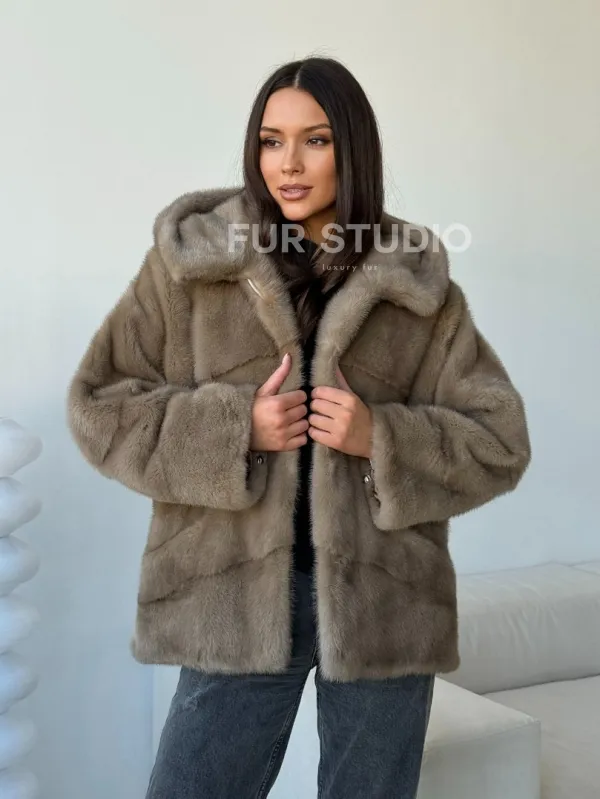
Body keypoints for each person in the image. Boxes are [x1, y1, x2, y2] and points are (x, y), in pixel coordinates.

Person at [66, 56, 531, 798]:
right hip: (234, 601)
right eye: (270, 140)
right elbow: (98, 404)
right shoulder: (193, 264)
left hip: (383, 606)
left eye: (315, 140)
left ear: (353, 150)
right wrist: (233, 431)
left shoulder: (413, 280)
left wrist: (381, 438)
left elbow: (499, 439)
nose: (288, 163)